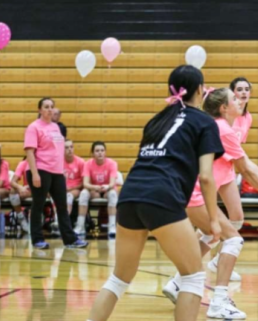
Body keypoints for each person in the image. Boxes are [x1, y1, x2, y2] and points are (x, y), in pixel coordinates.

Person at [86, 65, 224, 321]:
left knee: (119, 278)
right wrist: (214, 221)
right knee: (193, 277)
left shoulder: (157, 120)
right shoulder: (205, 122)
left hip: (130, 193)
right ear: (200, 90)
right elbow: (206, 176)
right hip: (162, 196)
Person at [161, 88, 258, 319]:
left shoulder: (212, 126)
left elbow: (241, 165)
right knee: (234, 239)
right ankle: (219, 301)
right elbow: (246, 169)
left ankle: (178, 282)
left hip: (184, 192)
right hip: (194, 195)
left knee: (212, 234)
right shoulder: (223, 130)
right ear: (223, 108)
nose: (239, 100)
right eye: (233, 98)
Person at [24, 97, 87, 249]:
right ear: (39, 110)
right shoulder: (33, 127)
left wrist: (61, 169)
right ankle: (37, 239)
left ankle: (70, 240)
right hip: (40, 170)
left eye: (52, 106)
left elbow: (58, 151)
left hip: (56, 172)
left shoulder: (56, 127)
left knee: (62, 206)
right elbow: (30, 152)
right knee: (38, 205)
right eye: (46, 107)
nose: (50, 109)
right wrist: (35, 174)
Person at [206, 77, 253, 280]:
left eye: (246, 89)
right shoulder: (221, 122)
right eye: (238, 90)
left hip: (228, 170)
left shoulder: (247, 117)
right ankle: (187, 272)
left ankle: (219, 260)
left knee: (237, 218)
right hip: (214, 170)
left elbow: (238, 149)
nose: (243, 93)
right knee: (211, 224)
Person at [75, 142, 118, 238]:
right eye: (97, 151)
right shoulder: (88, 164)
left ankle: (112, 227)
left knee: (113, 194)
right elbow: (85, 183)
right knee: (83, 193)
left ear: (105, 152)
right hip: (94, 190)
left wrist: (106, 187)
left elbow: (112, 183)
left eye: (102, 150)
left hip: (107, 190)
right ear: (93, 153)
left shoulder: (112, 163)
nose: (100, 153)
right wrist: (95, 188)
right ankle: (80, 225)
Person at [8, 157, 31, 233]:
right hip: (28, 191)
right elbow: (12, 182)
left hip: (42, 190)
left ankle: (57, 221)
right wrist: (20, 187)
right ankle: (21, 218)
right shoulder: (23, 163)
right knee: (13, 190)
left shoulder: (44, 162)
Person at [63, 140, 85, 215]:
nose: (69, 149)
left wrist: (71, 188)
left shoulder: (81, 162)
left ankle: (65, 218)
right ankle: (56, 220)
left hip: (76, 189)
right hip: (62, 189)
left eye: (71, 147)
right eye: (66, 147)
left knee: (69, 196)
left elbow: (84, 182)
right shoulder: (59, 162)